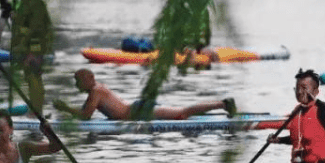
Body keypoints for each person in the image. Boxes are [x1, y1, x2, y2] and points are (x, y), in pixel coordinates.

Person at [53, 68, 238, 121]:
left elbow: (85, 116)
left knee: (182, 114)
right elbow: (85, 112)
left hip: (138, 112)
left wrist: (65, 108)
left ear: (89, 79)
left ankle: (223, 104)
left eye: (78, 81)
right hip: (137, 110)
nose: (76, 85)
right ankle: (222, 104)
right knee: (182, 113)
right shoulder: (95, 90)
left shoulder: (96, 91)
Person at [8, 0, 53, 115]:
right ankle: (34, 108)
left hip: (35, 46)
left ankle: (37, 110)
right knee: (30, 77)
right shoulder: (23, 3)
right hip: (25, 46)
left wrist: (31, 50)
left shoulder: (36, 2)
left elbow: (36, 28)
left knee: (34, 77)